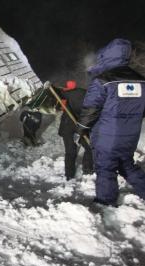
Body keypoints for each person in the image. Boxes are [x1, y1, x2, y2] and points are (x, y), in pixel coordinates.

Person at [78, 38, 145, 206]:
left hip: (106, 137)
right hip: (130, 137)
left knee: (106, 168)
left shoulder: (102, 80)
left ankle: (106, 202)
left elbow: (90, 109)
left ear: (107, 55)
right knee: (126, 165)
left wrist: (82, 129)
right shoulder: (141, 81)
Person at [57, 80, 94, 180]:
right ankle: (88, 169)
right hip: (81, 125)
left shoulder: (63, 94)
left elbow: (60, 107)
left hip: (68, 126)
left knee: (70, 151)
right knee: (89, 147)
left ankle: (69, 175)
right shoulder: (84, 93)